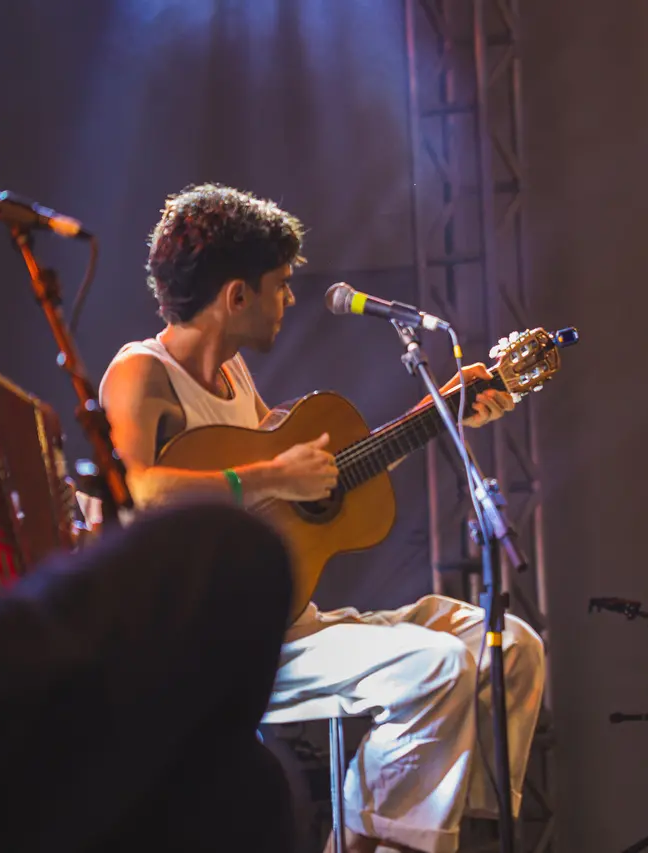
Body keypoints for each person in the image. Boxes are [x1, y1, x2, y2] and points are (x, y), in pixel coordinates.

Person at [97, 183, 546, 853]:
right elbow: (129, 491)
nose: (292, 299)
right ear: (235, 296)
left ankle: (416, 834)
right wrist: (274, 476)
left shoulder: (236, 377)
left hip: (290, 621)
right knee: (438, 664)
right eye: (281, 284)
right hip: (217, 642)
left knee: (508, 646)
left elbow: (318, 480)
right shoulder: (141, 372)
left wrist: (440, 411)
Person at [0, 76, 299, 852]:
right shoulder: (142, 369)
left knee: (243, 785)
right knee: (224, 555)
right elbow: (143, 488)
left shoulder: (238, 380)